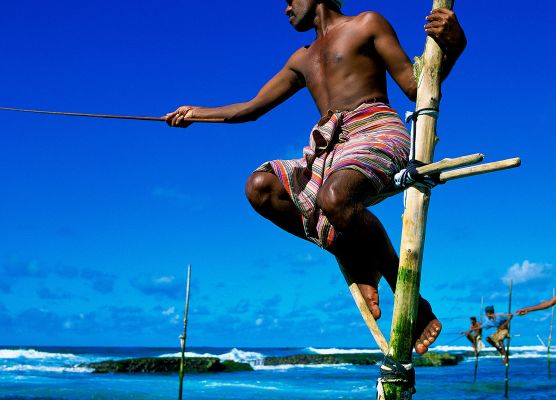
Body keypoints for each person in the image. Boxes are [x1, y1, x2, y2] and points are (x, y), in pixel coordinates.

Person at [166, 0, 466, 354]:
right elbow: (250, 109)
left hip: (376, 131)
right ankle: (351, 252)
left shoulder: (366, 24)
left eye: (291, 0)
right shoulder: (301, 58)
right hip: (330, 147)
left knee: (334, 198)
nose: (286, 8)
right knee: (260, 187)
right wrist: (195, 113)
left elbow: (417, 87)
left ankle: (411, 300)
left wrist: (455, 43)